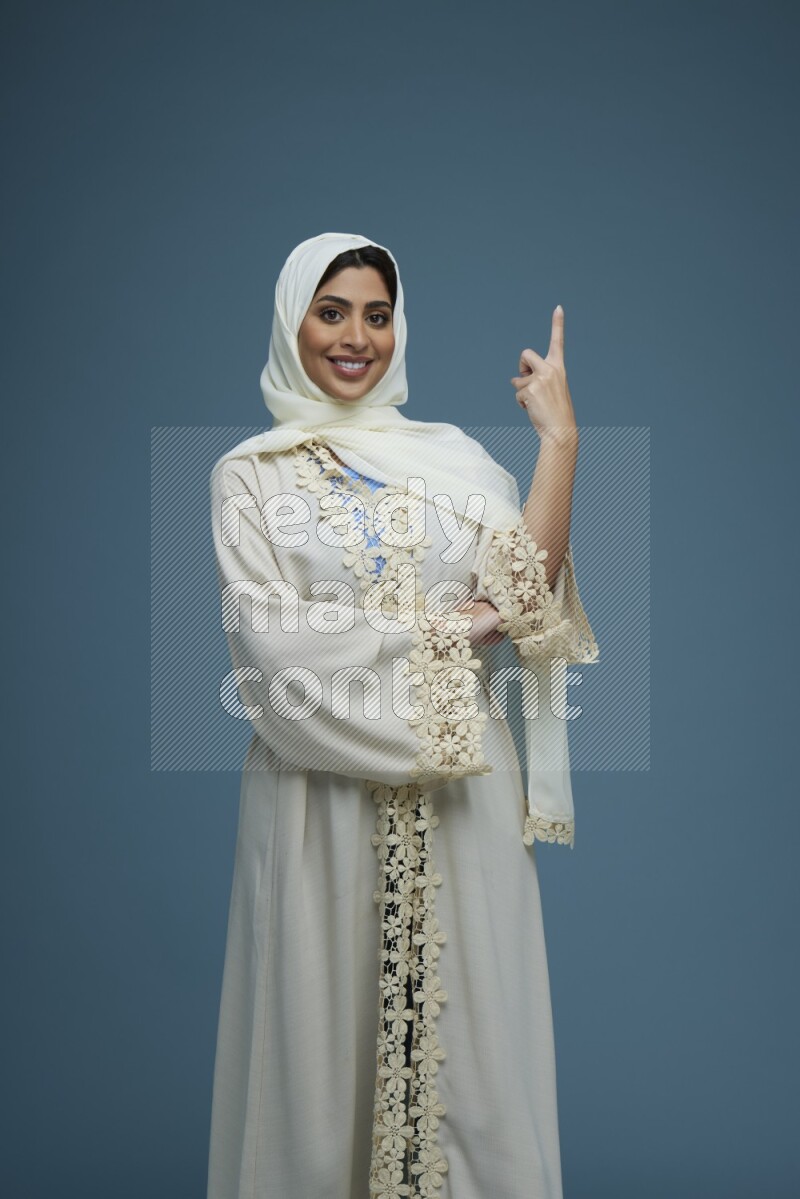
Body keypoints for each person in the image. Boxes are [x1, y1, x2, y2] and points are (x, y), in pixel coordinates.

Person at [206, 232, 599, 1199]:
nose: (356, 337)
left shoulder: (454, 464)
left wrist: (560, 444)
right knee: (319, 1069)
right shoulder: (251, 477)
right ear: (292, 319)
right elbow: (274, 654)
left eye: (376, 315)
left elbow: (526, 600)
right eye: (330, 311)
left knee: (475, 1071)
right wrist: (449, 630)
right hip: (320, 815)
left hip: (463, 808)